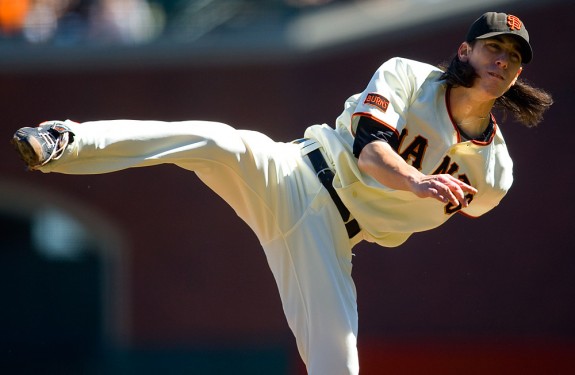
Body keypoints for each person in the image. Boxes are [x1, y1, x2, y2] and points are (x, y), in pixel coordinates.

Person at [10, 12, 553, 375]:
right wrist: (417, 181)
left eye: (512, 54)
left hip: (331, 240)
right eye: (492, 47)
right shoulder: (409, 76)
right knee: (216, 140)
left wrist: (425, 188)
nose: (500, 59)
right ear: (465, 50)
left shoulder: (493, 171)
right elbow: (369, 151)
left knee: (337, 363)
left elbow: (475, 209)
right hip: (295, 170)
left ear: (518, 71)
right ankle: (69, 138)